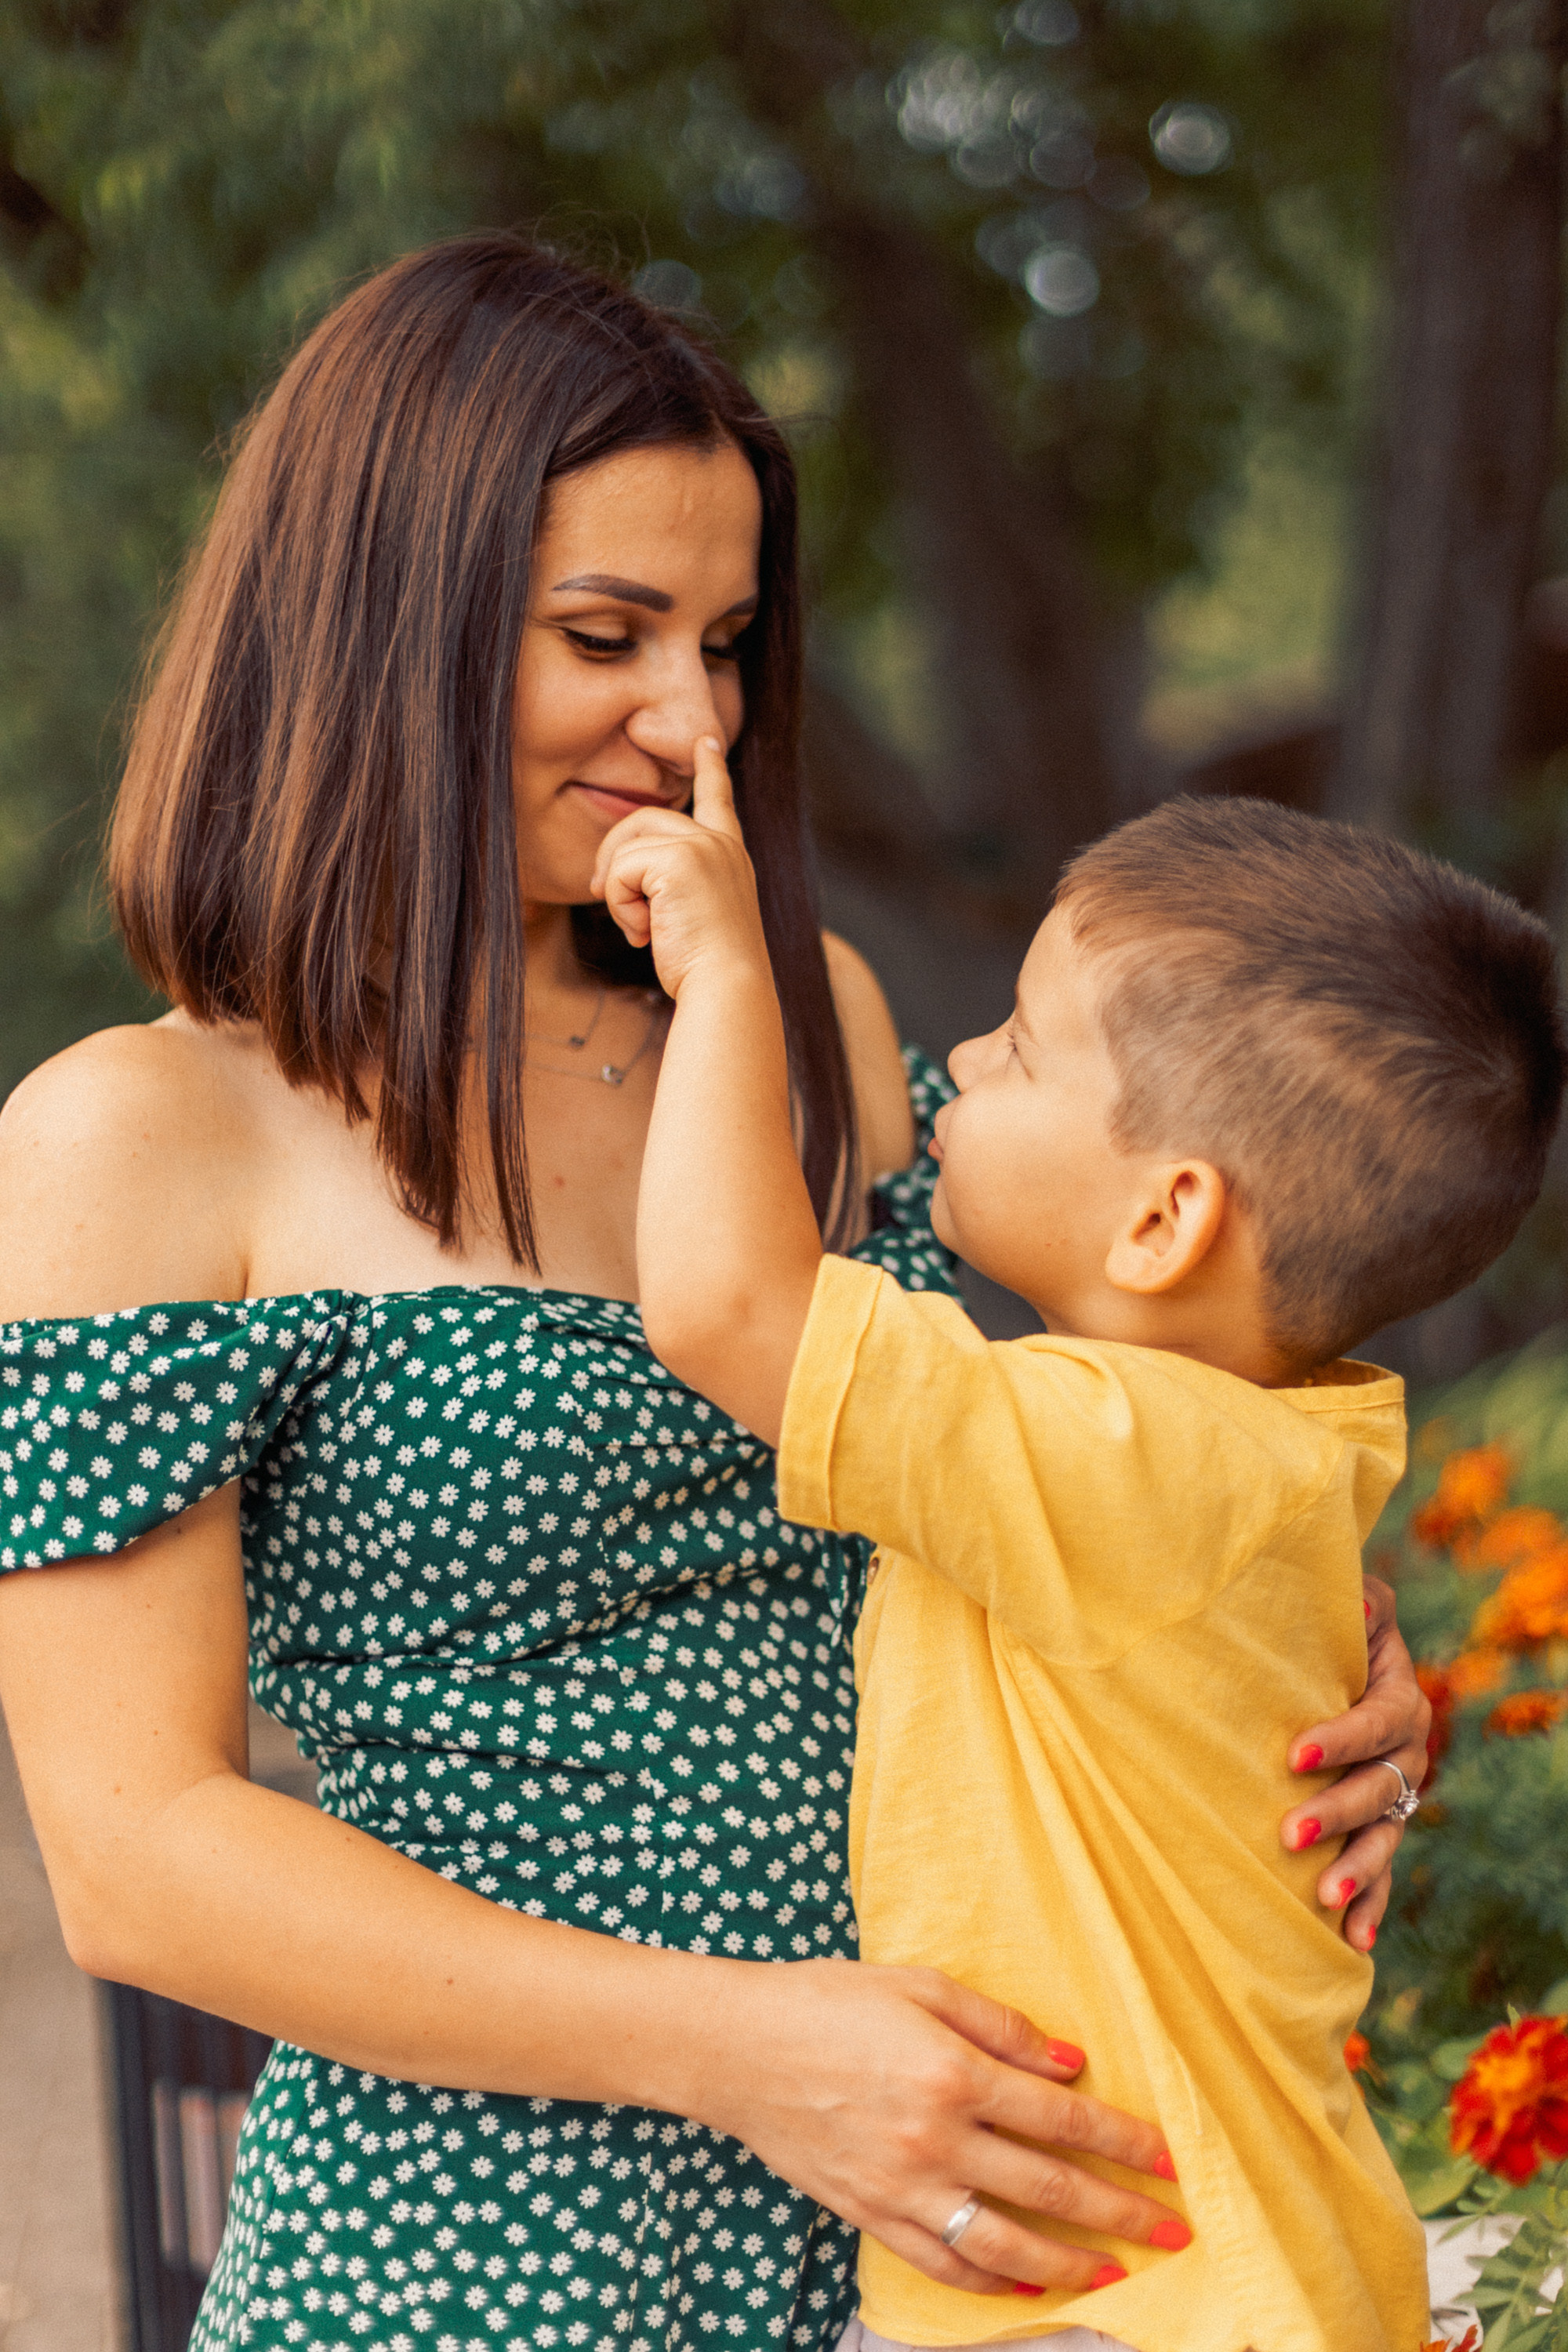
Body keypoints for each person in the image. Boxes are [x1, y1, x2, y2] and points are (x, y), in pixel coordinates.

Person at [0, 234, 1429, 2351]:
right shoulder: (137, 1135)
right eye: (609, 634)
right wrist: (761, 2054)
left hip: (964, 2235)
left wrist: (1328, 1662)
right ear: (381, 623)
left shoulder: (801, 1017)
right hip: (479, 2257)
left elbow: (1084, 1437)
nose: (696, 724)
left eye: (734, 642)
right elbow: (141, 1855)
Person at [607, 758, 1566, 2349]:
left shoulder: (1119, 1450)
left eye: (1017, 1048)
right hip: (1215, 2279)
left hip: (1128, 2308)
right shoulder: (1253, 1453)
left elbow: (727, 1311)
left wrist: (721, 970)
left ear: (1162, 1220)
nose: (959, 1062)